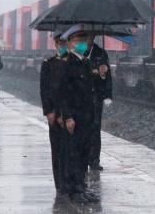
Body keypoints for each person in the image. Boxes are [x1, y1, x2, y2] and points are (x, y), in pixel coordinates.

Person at [58, 27, 99, 204]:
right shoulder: (68, 63)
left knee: (83, 153)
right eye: (77, 41)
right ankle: (73, 190)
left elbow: (91, 89)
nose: (81, 44)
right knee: (73, 154)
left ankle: (81, 187)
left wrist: (101, 74)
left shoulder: (85, 62)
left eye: (84, 41)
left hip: (86, 116)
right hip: (74, 117)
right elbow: (63, 93)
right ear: (70, 43)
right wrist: (67, 117)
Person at [40, 31, 69, 194]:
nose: (62, 45)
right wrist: (49, 111)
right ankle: (59, 182)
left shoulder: (73, 63)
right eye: (60, 42)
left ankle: (70, 180)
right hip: (54, 112)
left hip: (70, 112)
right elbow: (44, 90)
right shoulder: (48, 64)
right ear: (55, 44)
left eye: (65, 42)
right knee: (57, 148)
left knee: (71, 149)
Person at [85, 34, 112, 171]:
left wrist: (108, 95)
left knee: (95, 128)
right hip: (82, 96)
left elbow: (108, 76)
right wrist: (94, 71)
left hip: (96, 95)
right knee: (83, 128)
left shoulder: (101, 53)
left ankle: (94, 160)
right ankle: (83, 158)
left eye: (89, 37)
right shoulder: (78, 51)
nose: (87, 40)